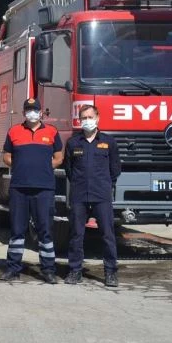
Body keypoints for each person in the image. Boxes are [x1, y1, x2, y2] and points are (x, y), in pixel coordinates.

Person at [0, 98, 63, 283]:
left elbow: (58, 157)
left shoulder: (52, 131)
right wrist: (21, 166)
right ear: (23, 112)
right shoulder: (14, 131)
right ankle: (13, 268)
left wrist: (42, 167)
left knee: (45, 230)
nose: (31, 112)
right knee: (17, 230)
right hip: (19, 188)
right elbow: (6, 157)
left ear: (40, 112)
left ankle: (48, 270)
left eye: (34, 109)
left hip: (44, 188)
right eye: (28, 109)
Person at [64, 104, 121, 287]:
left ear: (98, 118)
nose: (87, 120)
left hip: (101, 194)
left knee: (107, 234)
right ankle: (75, 271)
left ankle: (111, 272)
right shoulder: (73, 143)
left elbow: (115, 169)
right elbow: (69, 169)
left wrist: (104, 184)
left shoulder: (108, 142)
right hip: (79, 194)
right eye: (83, 118)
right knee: (76, 234)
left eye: (90, 117)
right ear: (80, 120)